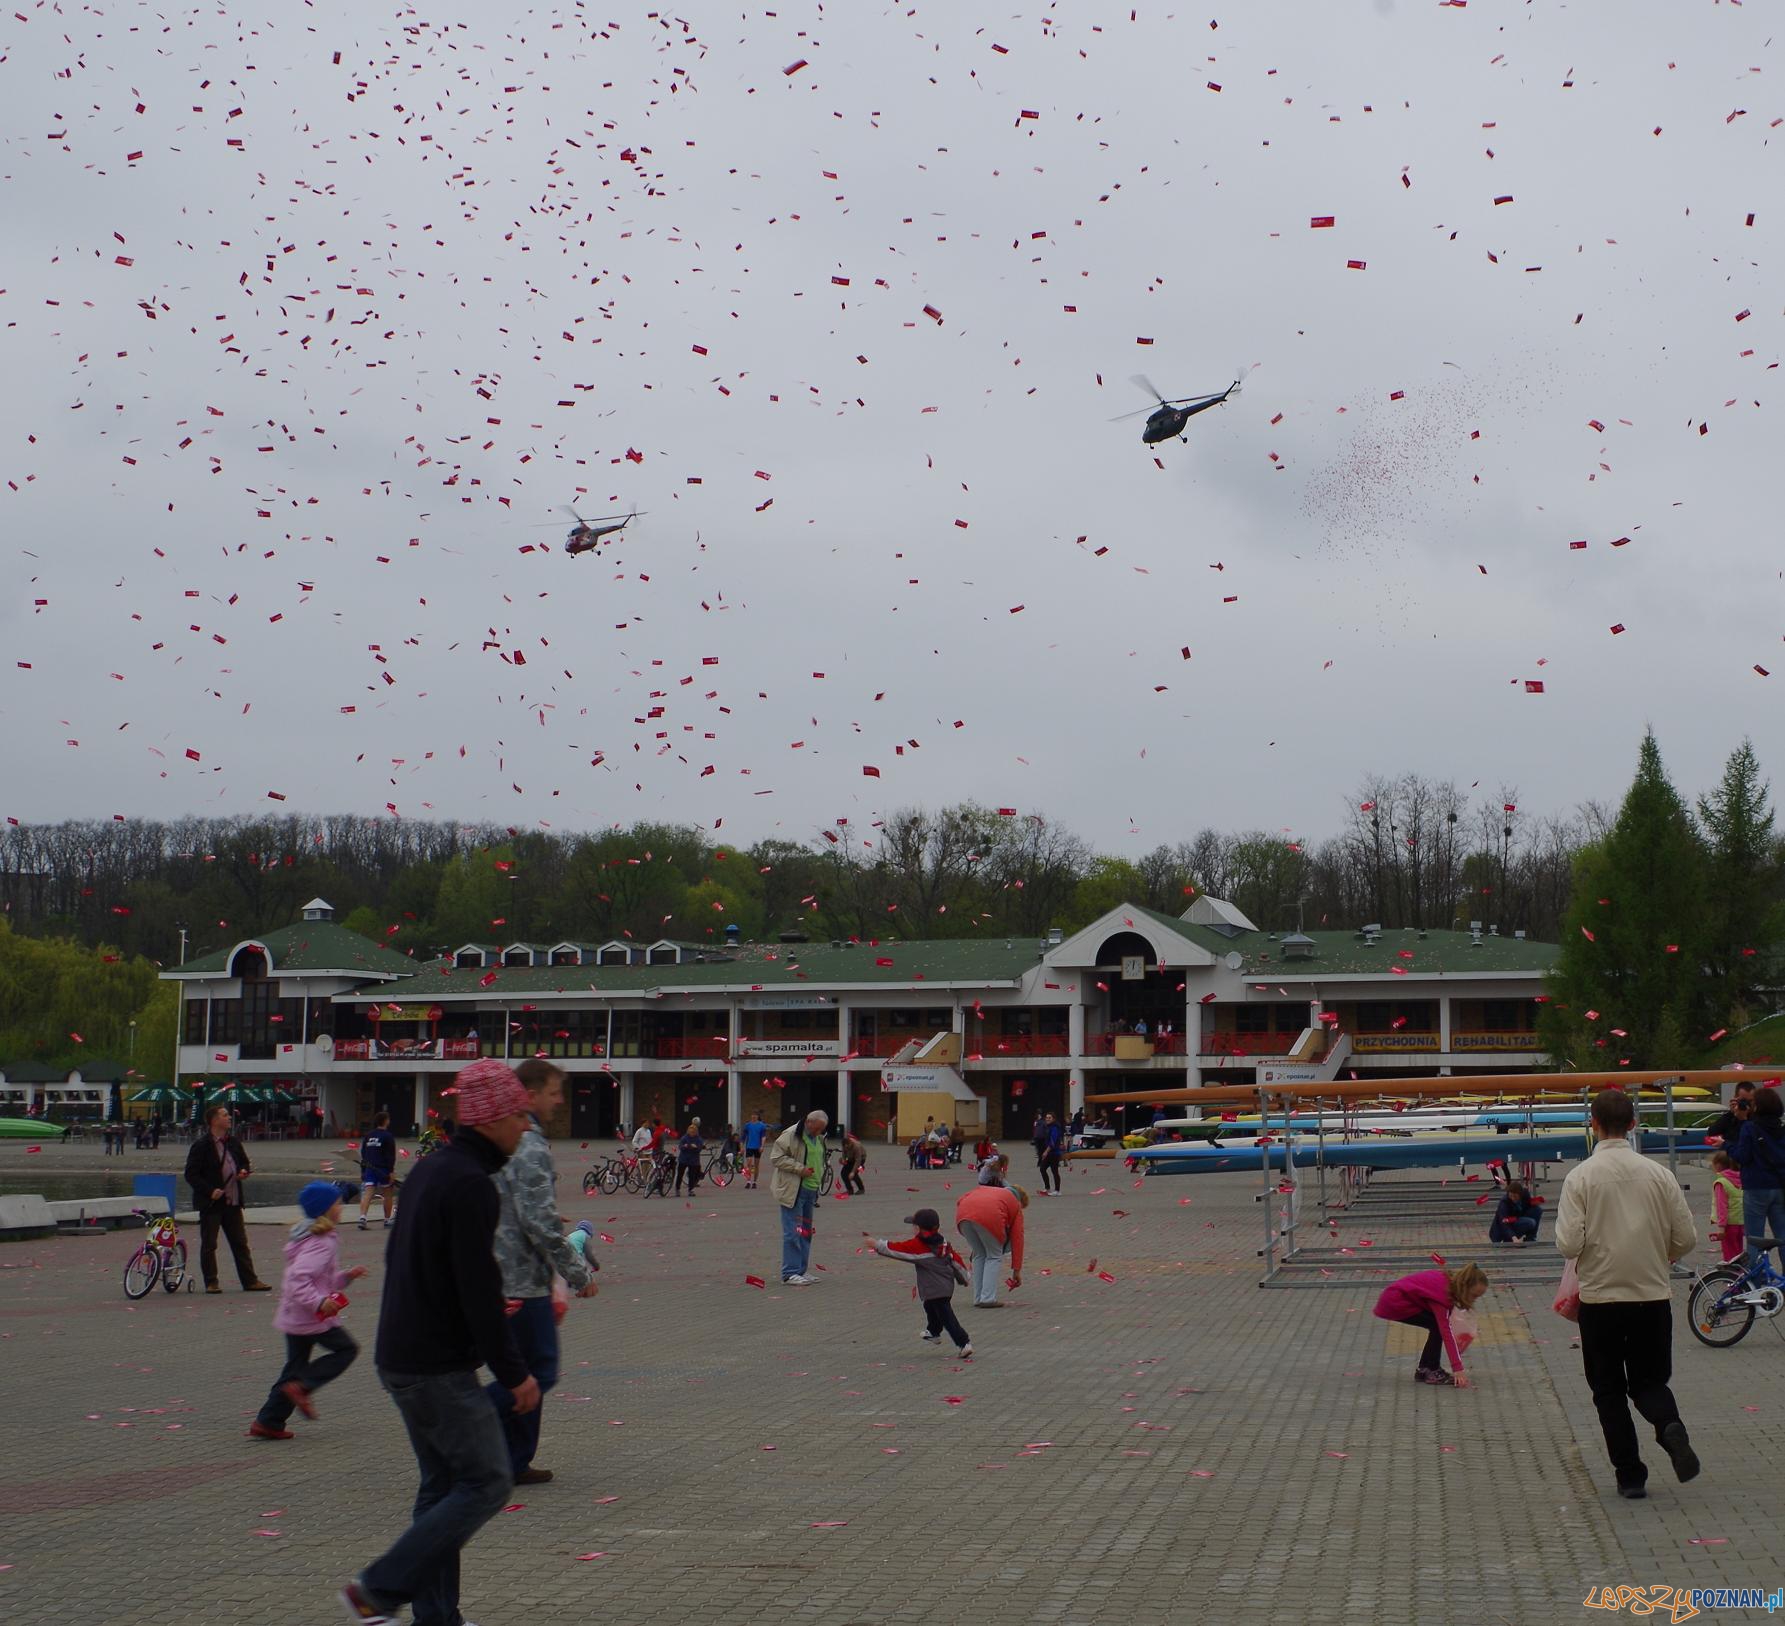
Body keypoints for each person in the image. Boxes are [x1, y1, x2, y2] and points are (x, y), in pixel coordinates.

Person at [340, 1059, 539, 1626]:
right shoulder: (471, 1184)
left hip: (400, 1354)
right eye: (520, 1115)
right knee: (488, 1480)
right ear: (494, 1117)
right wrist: (513, 1372)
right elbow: (477, 1288)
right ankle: (377, 1587)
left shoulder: (431, 1169)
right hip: (436, 1367)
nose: (526, 1126)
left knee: (442, 1487)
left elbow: (414, 1259)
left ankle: (436, 1618)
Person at [1556, 1087, 1699, 1500]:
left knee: (1608, 1390)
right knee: (1649, 1380)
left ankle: (1630, 1475)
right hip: (1651, 1295)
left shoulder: (1580, 1177)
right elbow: (1686, 1238)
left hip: (1601, 1300)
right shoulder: (1660, 1175)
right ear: (1634, 1124)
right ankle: (1668, 1423)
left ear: (1593, 1125)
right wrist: (1659, 1254)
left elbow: (1568, 1244)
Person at [487, 1059, 598, 1487]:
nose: (560, 1101)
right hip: (521, 1279)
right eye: (554, 1092)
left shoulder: (510, 1141)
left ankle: (513, 1459)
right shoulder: (529, 1144)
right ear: (530, 1096)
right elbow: (538, 1222)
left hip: (507, 1272)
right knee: (539, 1372)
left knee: (522, 1371)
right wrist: (577, 1272)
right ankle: (463, 1419)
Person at [249, 1181, 367, 1441]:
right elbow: (298, 1279)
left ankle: (268, 1421)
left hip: (296, 1315)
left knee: (294, 1366)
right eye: (337, 1204)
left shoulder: (310, 1236)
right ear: (326, 1209)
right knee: (347, 1349)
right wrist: (318, 1303)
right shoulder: (321, 1242)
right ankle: (303, 1387)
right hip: (310, 1316)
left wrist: (346, 1277)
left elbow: (321, 1278)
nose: (341, 1207)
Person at [183, 1104, 270, 1294]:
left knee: (240, 1242)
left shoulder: (233, 1142)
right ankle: (211, 1282)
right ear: (214, 1121)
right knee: (209, 1244)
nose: (229, 1117)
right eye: (224, 1115)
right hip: (212, 1203)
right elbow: (191, 1174)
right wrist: (209, 1190)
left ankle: (250, 1281)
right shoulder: (201, 1145)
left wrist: (243, 1171)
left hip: (233, 1200)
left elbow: (244, 1162)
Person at [866, 1208, 971, 1359]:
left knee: (947, 1317)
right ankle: (934, 1332)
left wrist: (877, 1245)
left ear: (919, 1229)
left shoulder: (918, 1246)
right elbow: (955, 1261)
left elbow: (897, 1249)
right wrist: (964, 1277)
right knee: (930, 1306)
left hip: (934, 1289)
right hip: (944, 1287)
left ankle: (964, 1343)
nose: (912, 1229)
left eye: (914, 1226)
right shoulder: (943, 1243)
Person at [1372, 1263, 1487, 1386]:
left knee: (1436, 1325)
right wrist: (1457, 1368)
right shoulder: (1442, 1295)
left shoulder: (1449, 1282)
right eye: (1474, 1295)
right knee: (1438, 1326)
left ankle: (1424, 1369)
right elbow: (1446, 1330)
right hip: (1395, 1303)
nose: (1474, 1299)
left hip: (1396, 1298)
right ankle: (1432, 1369)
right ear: (1464, 1287)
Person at [770, 1110, 828, 1286]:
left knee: (805, 1232)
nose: (819, 1133)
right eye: (817, 1129)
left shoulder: (817, 1137)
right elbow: (776, 1158)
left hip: (810, 1190)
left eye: (821, 1130)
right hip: (794, 1190)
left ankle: (801, 1270)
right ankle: (789, 1272)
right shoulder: (790, 1135)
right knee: (793, 1232)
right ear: (809, 1123)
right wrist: (799, 1168)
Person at [1731, 1085, 1785, 1268]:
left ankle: (1757, 1282)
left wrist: (1726, 1145)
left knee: (1754, 1238)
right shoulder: (1782, 1128)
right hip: (1779, 1187)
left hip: (1756, 1187)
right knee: (1782, 1236)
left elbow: (1742, 1157)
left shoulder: (1749, 1128)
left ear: (1758, 1107)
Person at [955, 1180, 1026, 1308]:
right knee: (994, 1256)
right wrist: (1016, 1270)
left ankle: (978, 1298)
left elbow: (960, 1200)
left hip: (963, 1214)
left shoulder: (990, 1190)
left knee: (979, 1254)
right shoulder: (1015, 1204)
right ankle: (988, 1298)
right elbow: (1017, 1239)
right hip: (989, 1217)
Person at [359, 1110, 398, 1230]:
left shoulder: (369, 1135)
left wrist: (363, 1170)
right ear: (386, 1121)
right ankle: (387, 1220)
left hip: (370, 1168)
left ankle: (362, 1218)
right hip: (383, 1169)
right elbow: (390, 1155)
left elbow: (363, 1153)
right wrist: (391, 1171)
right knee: (387, 1194)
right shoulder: (388, 1136)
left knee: (368, 1193)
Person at [1709, 1151, 1744, 1264]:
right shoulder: (1741, 1179)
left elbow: (1722, 1207)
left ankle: (1732, 1277)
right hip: (1740, 1223)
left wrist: (1721, 1228)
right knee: (1739, 1252)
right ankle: (1741, 1274)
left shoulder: (1721, 1183)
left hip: (1728, 1225)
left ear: (1719, 1165)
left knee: (1729, 1254)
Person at [1706, 1080, 1757, 1149]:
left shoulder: (1760, 1116)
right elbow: (1712, 1132)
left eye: (1750, 1101)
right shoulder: (1731, 1117)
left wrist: (1743, 1119)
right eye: (1744, 1100)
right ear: (1735, 1098)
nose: (1747, 1104)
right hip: (1731, 1156)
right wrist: (1731, 1113)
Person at [675, 1118, 705, 1195]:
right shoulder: (684, 1138)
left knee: (692, 1175)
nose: (692, 1133)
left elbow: (699, 1148)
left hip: (693, 1160)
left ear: (696, 1132)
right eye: (690, 1131)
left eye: (693, 1132)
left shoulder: (698, 1139)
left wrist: (696, 1147)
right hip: (684, 1159)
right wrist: (686, 1146)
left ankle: (691, 1189)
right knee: (680, 1174)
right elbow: (680, 1147)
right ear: (688, 1131)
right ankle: (677, 1188)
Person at [741, 1112, 769, 1189]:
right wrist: (742, 1147)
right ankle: (748, 1181)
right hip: (749, 1146)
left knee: (756, 1165)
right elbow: (743, 1137)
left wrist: (762, 1146)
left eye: (755, 1115)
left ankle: (754, 1182)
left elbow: (763, 1137)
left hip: (757, 1147)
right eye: (752, 1115)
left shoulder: (761, 1126)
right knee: (749, 1163)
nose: (753, 1116)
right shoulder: (747, 1125)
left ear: (757, 1116)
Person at [1038, 1113, 1064, 1194]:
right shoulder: (1048, 1127)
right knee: (1042, 1169)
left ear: (1053, 1119)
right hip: (1049, 1153)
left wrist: (1046, 1152)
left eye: (1049, 1118)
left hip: (1054, 1153)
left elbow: (1053, 1142)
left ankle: (1057, 1190)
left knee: (1054, 1171)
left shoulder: (1054, 1128)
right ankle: (1047, 1188)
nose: (1047, 1119)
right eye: (1046, 1117)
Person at [840, 1127, 867, 1195]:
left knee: (854, 1175)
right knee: (843, 1173)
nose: (847, 1148)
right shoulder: (844, 1145)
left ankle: (861, 1189)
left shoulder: (856, 1146)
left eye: (848, 1147)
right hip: (850, 1158)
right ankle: (850, 1190)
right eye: (845, 1147)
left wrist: (852, 1172)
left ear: (850, 1143)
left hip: (861, 1159)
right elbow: (844, 1153)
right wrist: (843, 1159)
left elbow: (858, 1160)